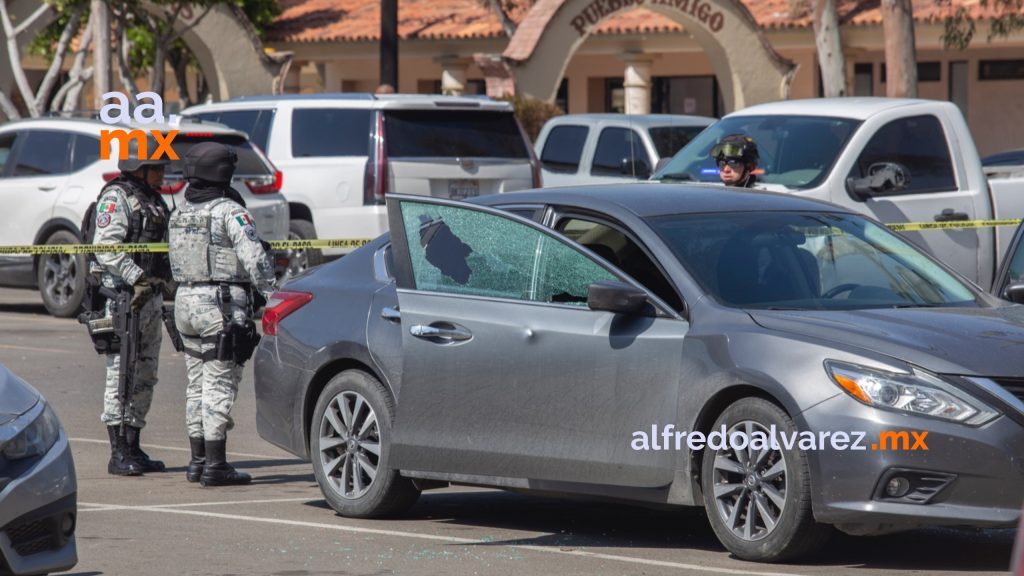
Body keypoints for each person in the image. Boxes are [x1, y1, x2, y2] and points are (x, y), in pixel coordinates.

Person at [169, 142, 278, 487]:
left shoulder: (180, 213)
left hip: (185, 303)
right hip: (220, 306)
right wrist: (273, 294)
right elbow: (255, 259)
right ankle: (216, 466)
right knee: (218, 384)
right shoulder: (230, 211)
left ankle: (197, 461)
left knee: (196, 384)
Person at [94, 136, 172, 476]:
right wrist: (136, 277)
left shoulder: (153, 199)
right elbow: (105, 247)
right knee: (121, 372)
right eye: (158, 167)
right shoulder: (116, 198)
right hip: (123, 298)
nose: (164, 172)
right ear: (140, 168)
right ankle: (117, 452)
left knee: (145, 373)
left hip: (150, 298)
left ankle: (134, 444)